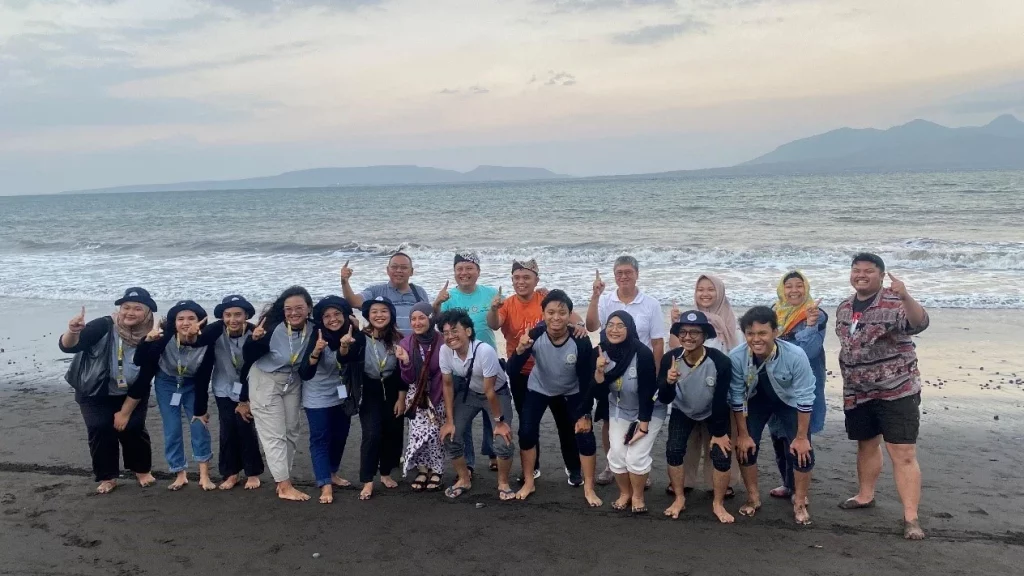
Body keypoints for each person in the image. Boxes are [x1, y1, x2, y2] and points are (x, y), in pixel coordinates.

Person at [835, 253, 929, 540]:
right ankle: (865, 495)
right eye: (856, 270)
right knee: (866, 444)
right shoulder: (844, 307)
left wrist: (906, 295)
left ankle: (911, 518)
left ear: (881, 275)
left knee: (902, 453)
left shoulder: (894, 301)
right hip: (858, 391)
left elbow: (919, 323)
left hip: (896, 389)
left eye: (868, 271)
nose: (861, 275)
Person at [486, 258, 588, 482]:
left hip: (555, 370)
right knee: (528, 424)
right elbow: (493, 324)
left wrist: (580, 326)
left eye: (526, 277)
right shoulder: (507, 304)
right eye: (516, 278)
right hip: (522, 372)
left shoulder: (545, 297)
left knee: (565, 423)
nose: (521, 282)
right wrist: (493, 309)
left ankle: (573, 468)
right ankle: (533, 467)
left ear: (536, 280)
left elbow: (568, 313)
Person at [57, 288, 158, 494]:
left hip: (131, 391)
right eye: (126, 307)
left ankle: (141, 470)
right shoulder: (103, 325)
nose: (130, 312)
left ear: (147, 313)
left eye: (138, 308)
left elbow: (144, 379)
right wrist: (73, 331)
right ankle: (107, 476)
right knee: (100, 427)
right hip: (94, 389)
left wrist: (125, 412)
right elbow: (69, 347)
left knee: (132, 426)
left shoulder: (153, 335)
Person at [507, 290, 601, 506]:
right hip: (539, 388)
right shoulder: (535, 335)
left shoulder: (580, 340)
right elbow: (513, 371)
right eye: (550, 312)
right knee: (527, 431)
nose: (556, 317)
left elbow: (587, 379)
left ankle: (588, 486)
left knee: (583, 433)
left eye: (562, 312)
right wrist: (520, 351)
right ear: (543, 313)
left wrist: (585, 412)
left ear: (570, 315)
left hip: (571, 390)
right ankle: (529, 480)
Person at [729, 306, 817, 526]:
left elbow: (805, 396)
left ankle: (799, 502)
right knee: (745, 447)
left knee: (802, 451)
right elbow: (737, 396)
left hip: (789, 402)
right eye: (750, 334)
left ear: (775, 332)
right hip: (756, 400)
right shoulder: (737, 356)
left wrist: (802, 437)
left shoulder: (795, 355)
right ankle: (753, 497)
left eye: (762, 333)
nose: (756, 339)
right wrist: (742, 434)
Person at [586, 255, 666, 486]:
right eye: (619, 273)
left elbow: (657, 341)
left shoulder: (650, 303)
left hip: (640, 369)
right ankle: (613, 465)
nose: (624, 277)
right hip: (610, 368)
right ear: (614, 276)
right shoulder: (606, 300)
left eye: (628, 272)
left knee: (642, 416)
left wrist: (657, 374)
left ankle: (640, 469)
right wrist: (595, 295)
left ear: (637, 274)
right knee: (609, 418)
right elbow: (591, 326)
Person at [669, 273, 742, 497]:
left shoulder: (730, 320)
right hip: (689, 389)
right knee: (689, 440)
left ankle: (720, 482)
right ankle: (685, 481)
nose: (705, 293)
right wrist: (674, 325)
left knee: (719, 437)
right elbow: (674, 353)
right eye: (701, 289)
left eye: (711, 289)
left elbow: (737, 356)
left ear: (719, 292)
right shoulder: (687, 319)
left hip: (719, 390)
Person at [658, 311, 735, 523]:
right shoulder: (670, 359)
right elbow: (664, 398)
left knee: (722, 455)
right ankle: (679, 498)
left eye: (694, 332)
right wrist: (668, 382)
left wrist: (719, 433)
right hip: (683, 410)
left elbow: (721, 399)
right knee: (673, 450)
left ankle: (718, 503)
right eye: (682, 332)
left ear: (705, 335)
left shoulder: (720, 362)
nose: (688, 337)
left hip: (713, 411)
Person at [240, 286, 315, 501]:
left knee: (292, 430)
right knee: (273, 434)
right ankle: (283, 485)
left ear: (308, 308)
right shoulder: (270, 328)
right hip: (265, 380)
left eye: (299, 308)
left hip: (292, 381)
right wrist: (253, 340)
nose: (293, 313)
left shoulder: (313, 328)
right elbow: (248, 359)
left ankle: (282, 477)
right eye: (288, 309)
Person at [134, 300, 215, 491]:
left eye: (191, 318)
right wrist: (147, 340)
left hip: (193, 384)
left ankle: (205, 476)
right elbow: (139, 360)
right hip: (167, 383)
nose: (185, 322)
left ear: (200, 321)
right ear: (174, 322)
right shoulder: (164, 337)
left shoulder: (207, 343)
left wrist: (201, 409)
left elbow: (204, 378)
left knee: (198, 425)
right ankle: (180, 473)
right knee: (172, 428)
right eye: (180, 319)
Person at [436, 309, 516, 500]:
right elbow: (447, 384)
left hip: (497, 393)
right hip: (470, 393)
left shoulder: (484, 351)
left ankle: (503, 482)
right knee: (451, 435)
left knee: (502, 440)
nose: (450, 337)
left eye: (455, 330)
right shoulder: (445, 351)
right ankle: (464, 479)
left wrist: (499, 422)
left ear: (469, 331)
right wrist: (449, 420)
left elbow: (489, 391)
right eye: (445, 333)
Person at [188, 295, 264, 491]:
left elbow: (255, 365)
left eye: (238, 314)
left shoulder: (256, 332)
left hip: (249, 387)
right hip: (223, 387)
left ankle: (252, 473)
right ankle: (231, 473)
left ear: (246, 315)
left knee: (245, 426)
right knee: (227, 429)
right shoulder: (215, 331)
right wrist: (192, 335)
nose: (233, 320)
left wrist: (244, 399)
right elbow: (198, 346)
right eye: (228, 315)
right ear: (222, 317)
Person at [337, 296, 408, 501]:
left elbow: (402, 372)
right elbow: (345, 359)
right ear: (368, 315)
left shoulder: (398, 338)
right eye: (374, 311)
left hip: (393, 389)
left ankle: (385, 472)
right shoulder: (359, 337)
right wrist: (343, 347)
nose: (379, 315)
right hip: (369, 389)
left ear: (391, 315)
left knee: (392, 433)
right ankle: (367, 479)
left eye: (384, 311)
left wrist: (401, 398)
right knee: (372, 433)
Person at [435, 250, 498, 474]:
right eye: (460, 268)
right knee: (465, 417)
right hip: (459, 365)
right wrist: (436, 304)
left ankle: (493, 453)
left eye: (469, 268)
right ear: (454, 272)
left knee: (492, 409)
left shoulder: (491, 293)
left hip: (488, 361)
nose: (464, 272)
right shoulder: (448, 297)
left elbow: (498, 324)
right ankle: (469, 463)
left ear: (478, 271)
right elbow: (438, 326)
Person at [594, 311, 661, 514]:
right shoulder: (599, 352)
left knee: (636, 457)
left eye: (620, 325)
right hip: (619, 408)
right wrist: (598, 371)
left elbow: (648, 391)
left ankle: (638, 496)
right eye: (610, 325)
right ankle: (625, 493)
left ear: (629, 328)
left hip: (648, 409)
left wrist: (643, 424)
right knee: (616, 455)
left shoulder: (641, 352)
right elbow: (598, 392)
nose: (614, 329)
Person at [768, 271, 827, 500]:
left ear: (807, 288)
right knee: (778, 435)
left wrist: (810, 325)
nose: (794, 291)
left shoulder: (815, 314)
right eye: (788, 286)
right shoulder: (774, 311)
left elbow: (808, 350)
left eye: (799, 286)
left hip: (802, 382)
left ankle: (800, 492)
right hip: (777, 381)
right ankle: (787, 483)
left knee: (800, 436)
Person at [298, 295, 356, 504]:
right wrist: (316, 352)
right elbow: (304, 372)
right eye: (327, 316)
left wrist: (345, 346)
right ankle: (325, 484)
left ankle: (332, 473)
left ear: (344, 315)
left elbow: (347, 359)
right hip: (317, 396)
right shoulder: (316, 335)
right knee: (320, 439)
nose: (333, 319)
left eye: (337, 314)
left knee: (340, 436)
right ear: (321, 319)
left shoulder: (351, 333)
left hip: (342, 394)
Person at [397, 302, 446, 492]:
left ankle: (437, 470)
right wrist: (407, 362)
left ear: (430, 318)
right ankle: (422, 469)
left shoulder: (442, 341)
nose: (417, 323)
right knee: (418, 435)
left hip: (439, 393)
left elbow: (446, 373)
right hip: (415, 396)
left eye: (421, 318)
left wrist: (437, 398)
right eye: (413, 319)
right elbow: (408, 378)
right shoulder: (406, 343)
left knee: (435, 434)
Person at [340, 252, 432, 333]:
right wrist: (345, 282)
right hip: (386, 347)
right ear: (387, 270)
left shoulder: (419, 292)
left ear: (411, 271)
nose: (399, 270)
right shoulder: (376, 292)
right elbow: (353, 302)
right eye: (394, 267)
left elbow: (429, 319)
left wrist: (438, 304)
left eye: (404, 267)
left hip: (415, 347)